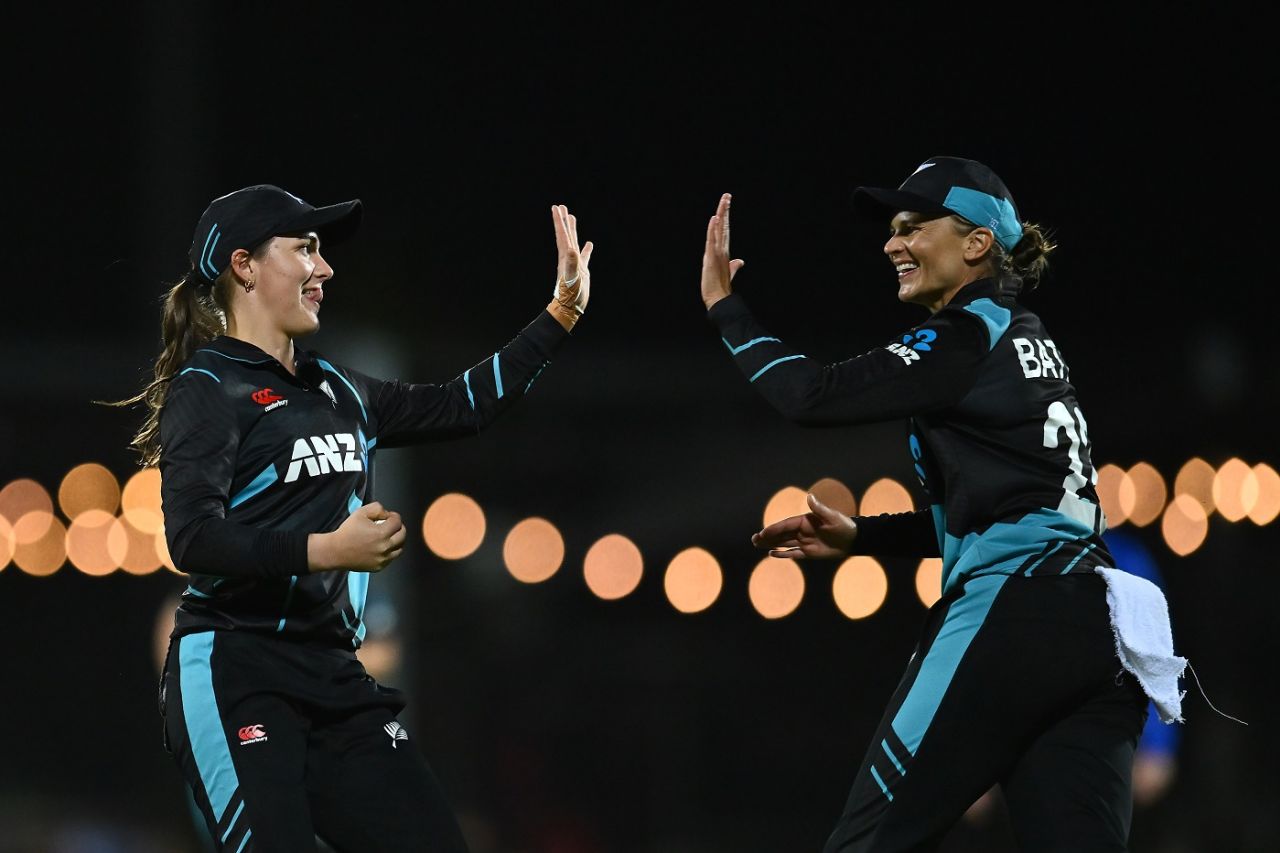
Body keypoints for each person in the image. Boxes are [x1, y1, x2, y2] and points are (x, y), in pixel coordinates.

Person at [699, 157, 1182, 852]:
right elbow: (1012, 508)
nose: (893, 244)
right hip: (1099, 629)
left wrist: (725, 308)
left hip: (1014, 611)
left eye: (913, 226)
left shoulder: (966, 336)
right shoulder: (1028, 338)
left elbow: (810, 395)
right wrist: (862, 535)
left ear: (978, 242)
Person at [113, 183, 592, 852]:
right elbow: (193, 537)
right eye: (304, 248)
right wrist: (327, 549)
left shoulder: (337, 388)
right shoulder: (209, 386)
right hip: (237, 671)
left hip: (334, 678)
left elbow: (463, 405)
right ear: (244, 265)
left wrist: (560, 313)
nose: (325, 267)